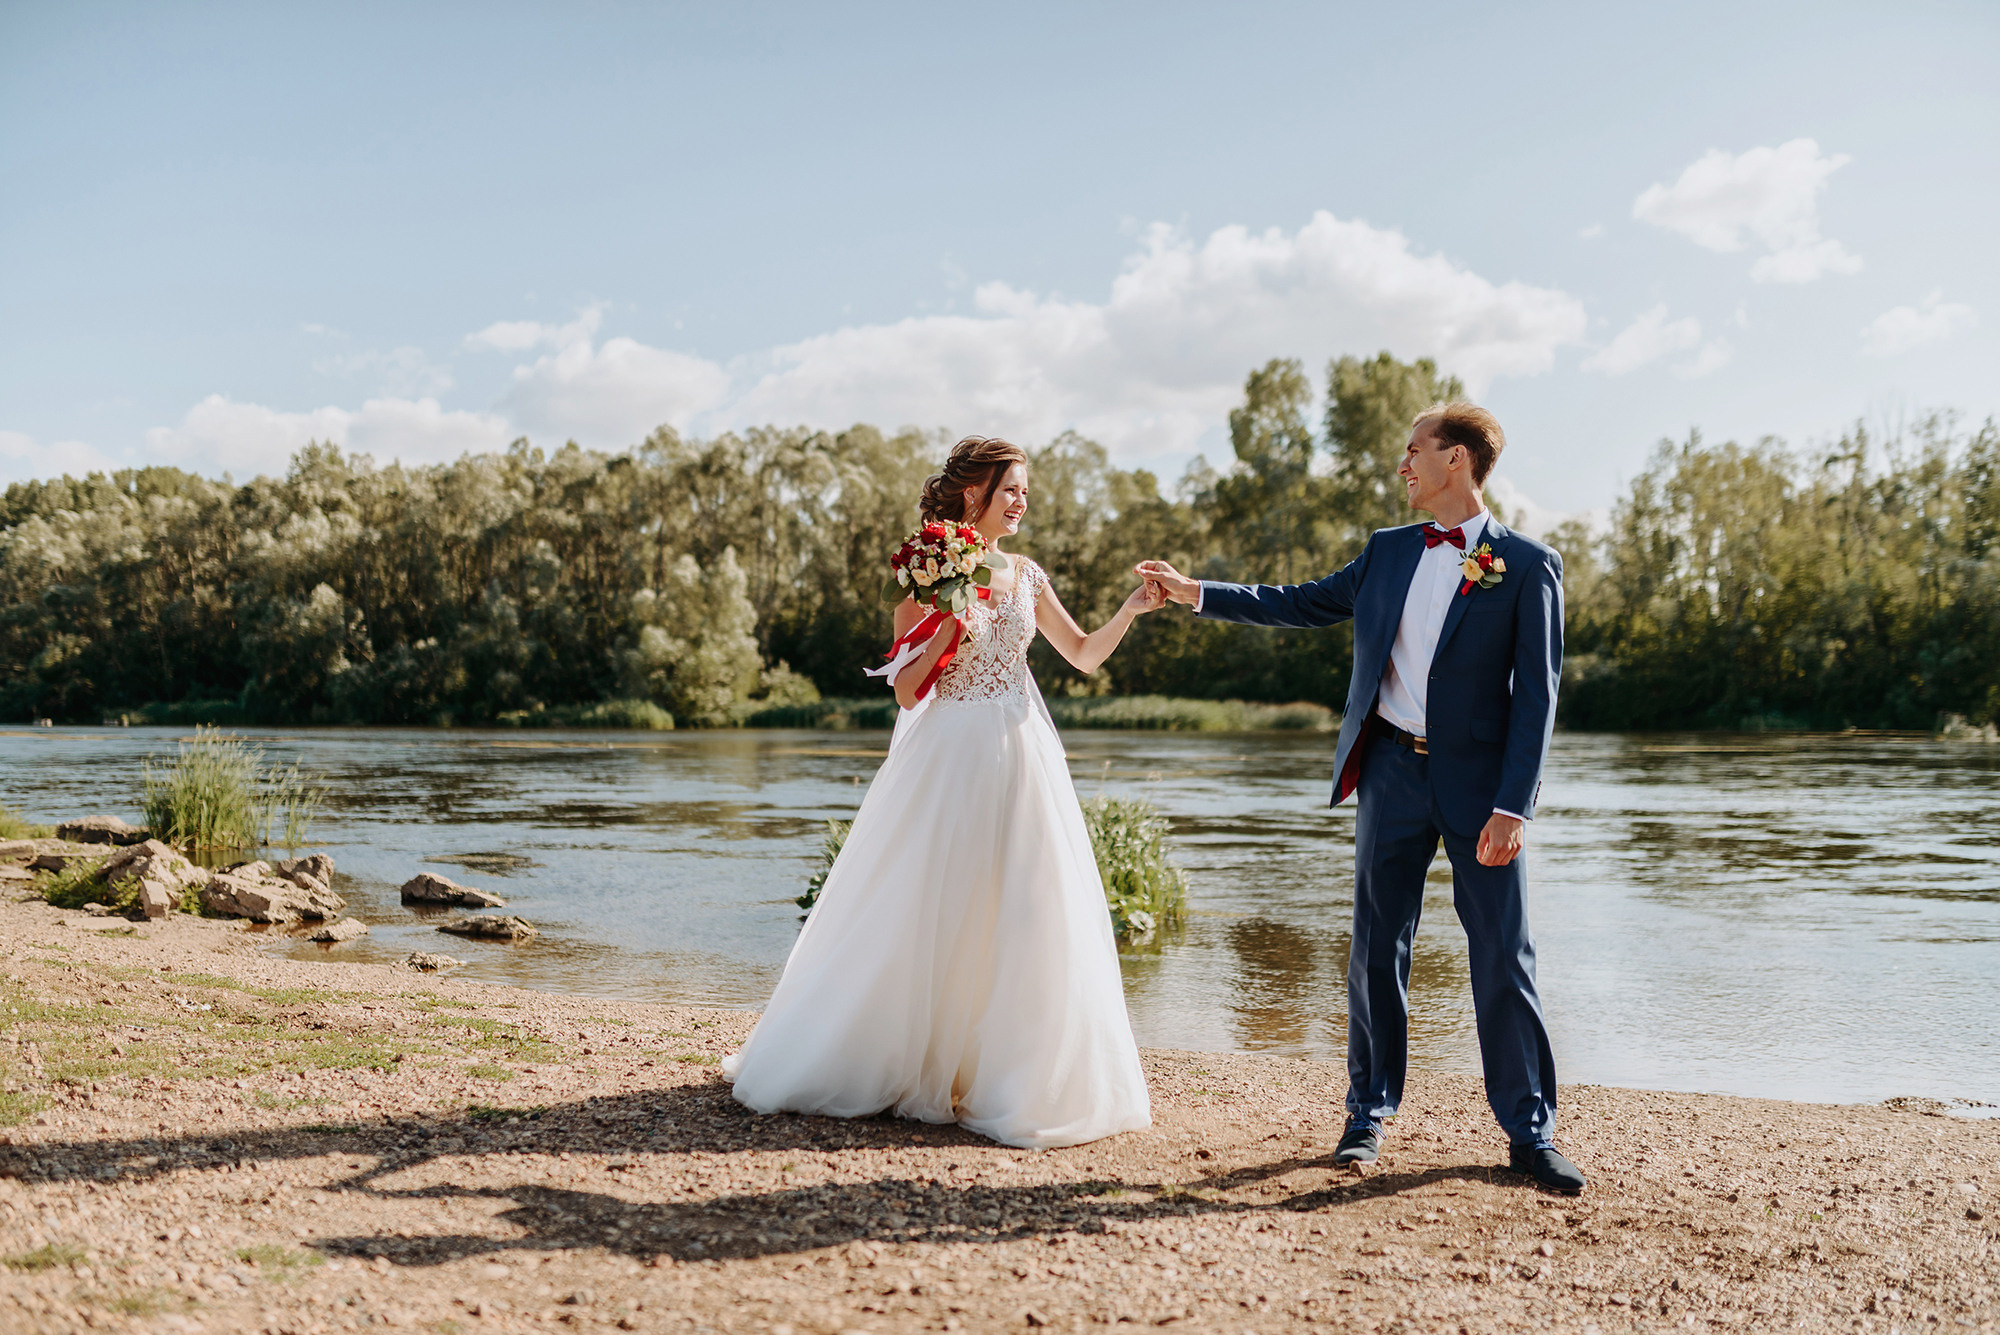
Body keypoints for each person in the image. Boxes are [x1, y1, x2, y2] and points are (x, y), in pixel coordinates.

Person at [1137, 401, 1586, 1193]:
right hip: (1389, 772)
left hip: (1483, 790)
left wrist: (1515, 805)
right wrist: (1193, 591)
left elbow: (1538, 698)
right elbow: (1298, 600)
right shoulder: (1386, 552)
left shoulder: (1526, 562)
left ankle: (1530, 1130)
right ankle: (1366, 1114)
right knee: (1377, 949)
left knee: (1502, 953)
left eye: (1414, 449)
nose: (1402, 464)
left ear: (1457, 459)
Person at [723, 435, 1165, 1149]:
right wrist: (945, 635)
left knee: (1025, 908)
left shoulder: (1027, 575)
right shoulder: (927, 571)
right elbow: (903, 690)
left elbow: (1081, 654)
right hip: (949, 753)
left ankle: (1003, 1076)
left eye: (1025, 489)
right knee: (926, 902)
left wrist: (1130, 610)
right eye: (1012, 488)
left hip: (1022, 756)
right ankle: (893, 1061)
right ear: (973, 493)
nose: (1022, 501)